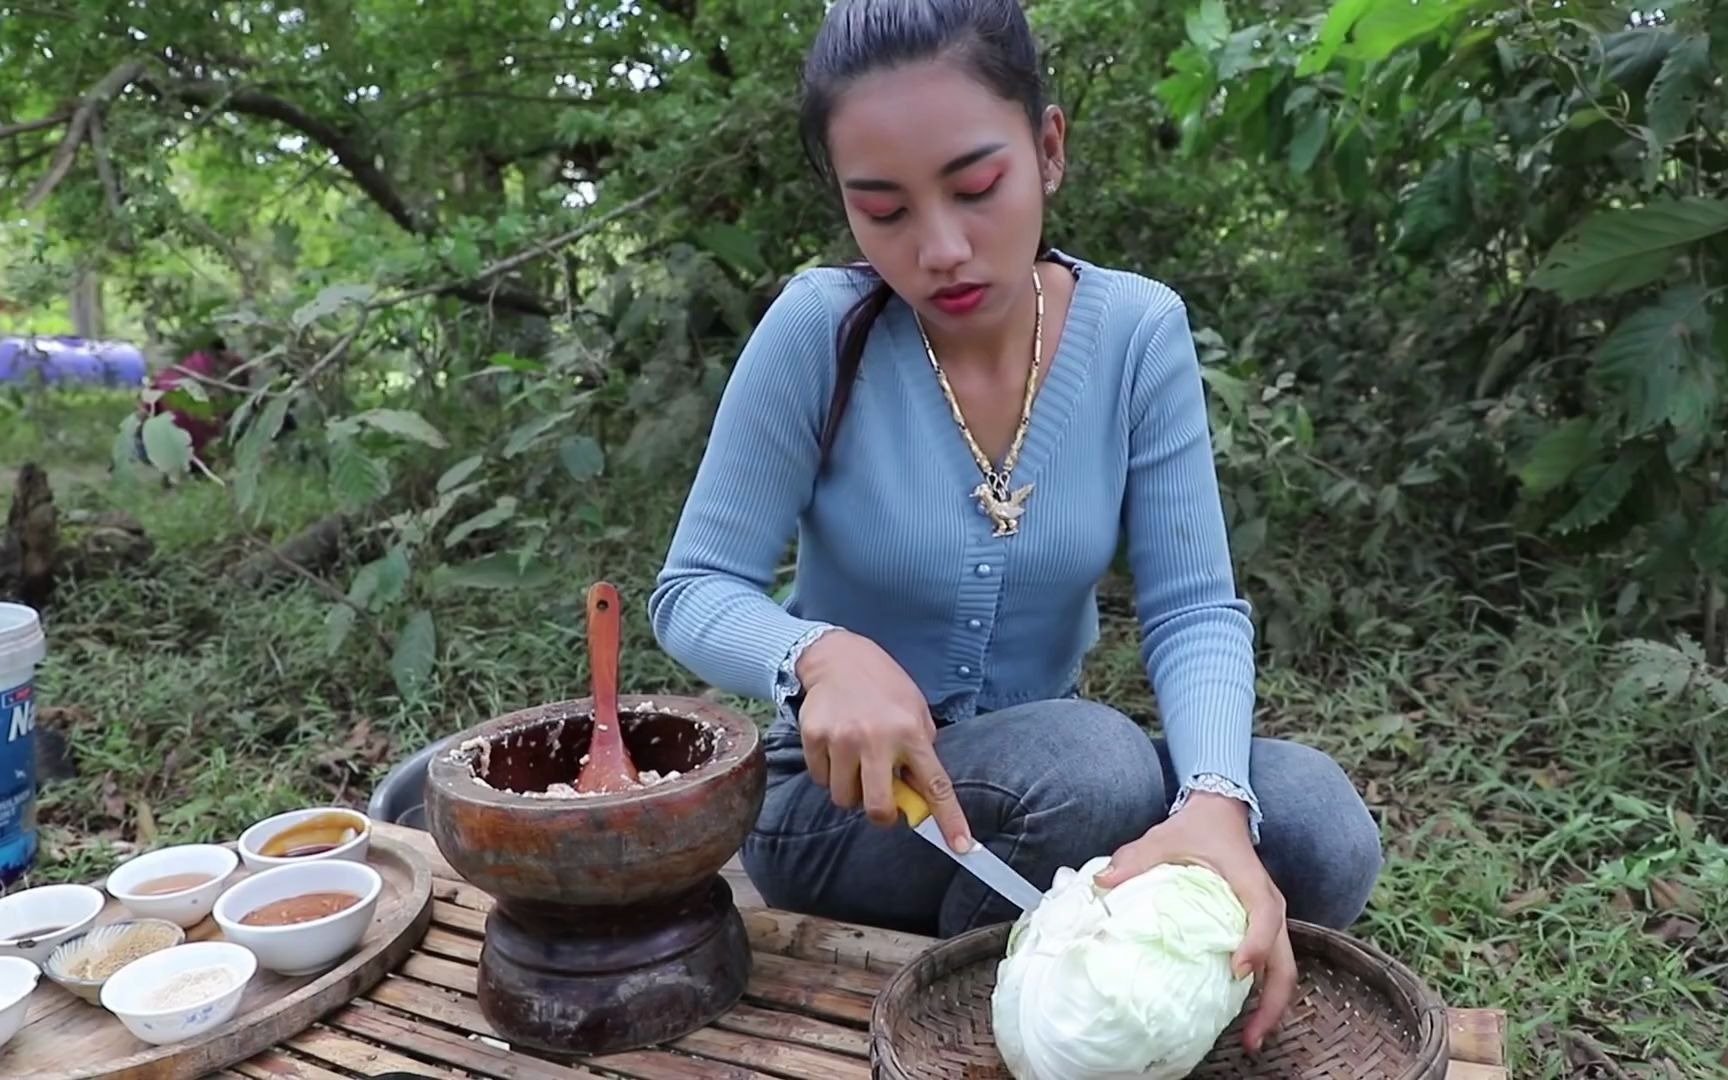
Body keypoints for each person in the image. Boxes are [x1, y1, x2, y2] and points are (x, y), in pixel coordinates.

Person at [648, 0, 1383, 1054]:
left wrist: (1217, 799)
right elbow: (693, 586)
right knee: (1095, 770)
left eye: (978, 185)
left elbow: (1193, 607)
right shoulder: (820, 331)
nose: (940, 248)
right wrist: (817, 654)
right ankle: (972, 1032)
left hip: (1043, 785)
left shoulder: (1135, 332)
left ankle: (1092, 986)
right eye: (882, 209)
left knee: (1311, 823)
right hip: (854, 807)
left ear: (1048, 147)